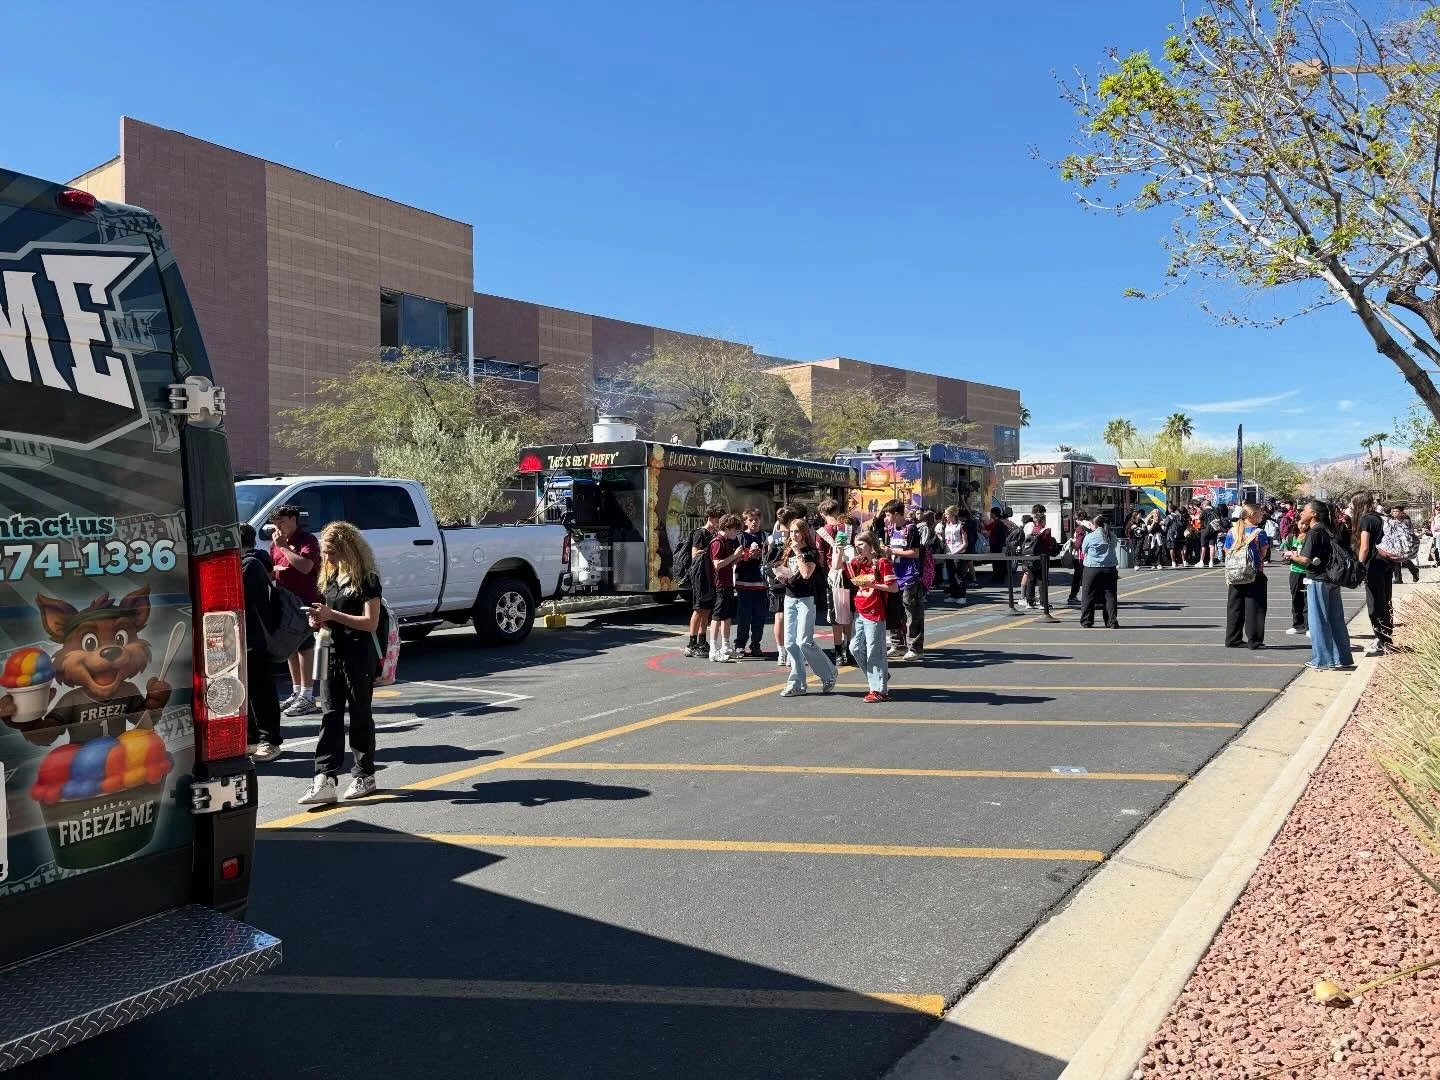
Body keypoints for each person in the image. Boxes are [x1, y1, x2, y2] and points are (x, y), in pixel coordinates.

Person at [297, 521, 382, 804]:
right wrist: (318, 620)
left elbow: (370, 622)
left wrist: (332, 615)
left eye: (331, 552)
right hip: (330, 651)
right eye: (324, 552)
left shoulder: (366, 578)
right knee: (330, 715)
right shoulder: (330, 577)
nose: (326, 557)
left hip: (358, 654)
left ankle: (364, 775)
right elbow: (329, 616)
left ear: (348, 549)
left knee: (359, 714)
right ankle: (325, 777)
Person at [1288, 500, 1354, 670]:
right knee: (1336, 620)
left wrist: (1292, 556)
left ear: (1314, 514)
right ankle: (1342, 658)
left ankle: (1323, 660)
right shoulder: (1331, 529)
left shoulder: (1314, 532)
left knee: (1318, 620)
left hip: (1318, 578)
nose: (1301, 512)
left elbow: (1305, 559)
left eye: (1305, 510)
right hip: (1333, 578)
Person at [269, 504, 321, 717]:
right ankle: (297, 690)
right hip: (285, 602)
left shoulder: (307, 540)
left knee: (305, 647)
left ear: (293, 519)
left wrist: (283, 548)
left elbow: (306, 566)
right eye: (275, 524)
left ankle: (308, 695)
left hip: (304, 601)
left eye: (281, 522)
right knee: (290, 645)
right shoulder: (276, 544)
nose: (278, 527)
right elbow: (273, 568)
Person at [776, 517, 837, 697]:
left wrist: (797, 552)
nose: (793, 535)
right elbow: (785, 569)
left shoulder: (810, 552)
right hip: (790, 598)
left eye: (797, 531)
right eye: (791, 531)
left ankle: (829, 673)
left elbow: (805, 574)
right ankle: (797, 684)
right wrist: (780, 575)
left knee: (804, 641)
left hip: (805, 600)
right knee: (790, 643)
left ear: (804, 533)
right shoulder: (787, 550)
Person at [240, 524, 283, 763]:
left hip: (255, 639)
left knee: (261, 691)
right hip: (242, 639)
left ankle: (270, 740)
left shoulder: (250, 565)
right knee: (245, 691)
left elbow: (248, 602)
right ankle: (252, 738)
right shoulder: (248, 564)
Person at [847, 532, 897, 702]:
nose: (858, 548)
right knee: (854, 648)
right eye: (856, 545)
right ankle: (881, 676)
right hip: (860, 610)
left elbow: (894, 588)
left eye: (861, 544)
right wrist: (839, 549)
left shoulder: (882, 563)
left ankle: (879, 690)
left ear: (871, 545)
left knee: (875, 651)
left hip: (875, 612)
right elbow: (839, 567)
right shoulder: (858, 562)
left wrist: (872, 584)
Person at [1222, 502, 1271, 650]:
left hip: (1235, 573)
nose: (1262, 515)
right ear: (1252, 515)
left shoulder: (1232, 531)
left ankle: (1233, 638)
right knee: (1255, 608)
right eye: (1260, 513)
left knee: (1235, 607)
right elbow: (1263, 551)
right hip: (1253, 573)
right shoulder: (1259, 532)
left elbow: (1226, 550)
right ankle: (1254, 641)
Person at [882, 499, 925, 662]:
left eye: (888, 515)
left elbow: (915, 553)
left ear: (896, 514)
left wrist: (892, 551)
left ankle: (915, 648)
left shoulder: (911, 529)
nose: (886, 518)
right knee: (895, 612)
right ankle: (898, 645)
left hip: (909, 576)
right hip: (894, 575)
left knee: (912, 613)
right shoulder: (890, 529)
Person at [1351, 492, 1392, 656]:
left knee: (1374, 604)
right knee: (1385, 601)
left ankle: (1381, 639)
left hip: (1373, 565)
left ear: (1359, 504)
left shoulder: (1365, 520)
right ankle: (1386, 637)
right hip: (1386, 563)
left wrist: (1359, 566)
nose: (1351, 507)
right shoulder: (1379, 517)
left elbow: (1365, 547)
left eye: (1353, 503)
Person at [816, 500, 854, 665]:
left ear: (822, 514)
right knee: (849, 613)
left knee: (836, 615)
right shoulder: (849, 528)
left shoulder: (822, 532)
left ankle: (838, 652)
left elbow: (821, 558)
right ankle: (849, 649)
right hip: (850, 574)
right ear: (838, 511)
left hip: (833, 577)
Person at [683, 505, 723, 658]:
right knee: (698, 609)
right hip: (700, 576)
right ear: (710, 517)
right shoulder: (700, 533)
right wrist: (708, 551)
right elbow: (695, 555)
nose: (718, 522)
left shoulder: (714, 534)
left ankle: (702, 641)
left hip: (710, 575)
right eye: (717, 519)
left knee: (706, 609)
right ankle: (691, 644)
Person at [707, 514, 744, 662]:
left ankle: (725, 646)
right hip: (720, 584)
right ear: (727, 528)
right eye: (735, 529)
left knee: (726, 615)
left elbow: (726, 563)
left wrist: (738, 557)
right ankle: (713, 649)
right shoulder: (718, 542)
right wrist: (734, 556)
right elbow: (717, 564)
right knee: (717, 616)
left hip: (727, 583)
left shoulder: (725, 541)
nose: (736, 533)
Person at [733, 507, 769, 658]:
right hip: (744, 581)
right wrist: (747, 555)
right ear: (745, 522)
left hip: (761, 583)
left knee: (759, 616)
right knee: (744, 616)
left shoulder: (766, 536)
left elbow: (771, 556)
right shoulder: (740, 537)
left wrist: (761, 554)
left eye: (756, 519)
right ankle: (740, 645)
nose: (754, 522)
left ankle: (756, 644)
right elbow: (734, 557)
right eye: (751, 520)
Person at [767, 506, 800, 667]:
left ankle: (781, 653)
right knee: (792, 618)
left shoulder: (771, 538)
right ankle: (790, 652)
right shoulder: (795, 536)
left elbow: (767, 561)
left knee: (779, 617)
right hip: (792, 578)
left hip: (776, 579)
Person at [1077, 514, 1120, 629]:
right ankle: (1111, 621)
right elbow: (1115, 546)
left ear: (1094, 525)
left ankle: (1087, 621)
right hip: (1109, 568)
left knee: (1088, 595)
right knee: (1110, 595)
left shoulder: (1090, 536)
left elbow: (1084, 550)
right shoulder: (1111, 535)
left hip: (1092, 568)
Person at [1022, 505, 1057, 614]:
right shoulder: (1045, 531)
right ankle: (1043, 603)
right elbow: (1047, 544)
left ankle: (1030, 602)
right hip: (1042, 558)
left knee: (1031, 580)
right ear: (1042, 521)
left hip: (1030, 558)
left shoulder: (1031, 529)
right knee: (1042, 581)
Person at [1279, 517, 1309, 636]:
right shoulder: (1292, 537)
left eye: (1306, 524)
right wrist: (1287, 554)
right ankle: (1298, 625)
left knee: (1308, 599)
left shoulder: (1310, 536)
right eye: (1302, 523)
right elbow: (1285, 548)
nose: (1304, 526)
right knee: (1296, 598)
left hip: (1308, 571)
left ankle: (1309, 626)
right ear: (1296, 523)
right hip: (1295, 571)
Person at [1386, 503, 1421, 585]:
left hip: (1404, 543)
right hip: (1394, 543)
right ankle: (1398, 578)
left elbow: (1410, 532)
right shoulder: (1390, 521)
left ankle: (1414, 570)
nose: (1395, 513)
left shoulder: (1406, 521)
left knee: (1404, 559)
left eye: (1397, 511)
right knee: (1396, 559)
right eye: (1393, 511)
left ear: (1401, 513)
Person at [941, 505, 968, 604]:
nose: (945, 516)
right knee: (951, 575)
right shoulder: (945, 525)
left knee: (959, 575)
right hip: (948, 554)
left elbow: (965, 543)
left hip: (958, 554)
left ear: (952, 514)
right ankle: (953, 595)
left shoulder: (961, 525)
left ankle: (962, 596)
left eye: (947, 514)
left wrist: (955, 552)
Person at [1066, 512, 1088, 604]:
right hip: (1087, 556)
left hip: (1079, 556)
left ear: (1078, 519)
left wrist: (1073, 542)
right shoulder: (1090, 526)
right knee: (1083, 576)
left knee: (1078, 577)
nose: (1075, 521)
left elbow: (1078, 544)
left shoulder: (1080, 528)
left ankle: (1072, 596)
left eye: (1075, 519)